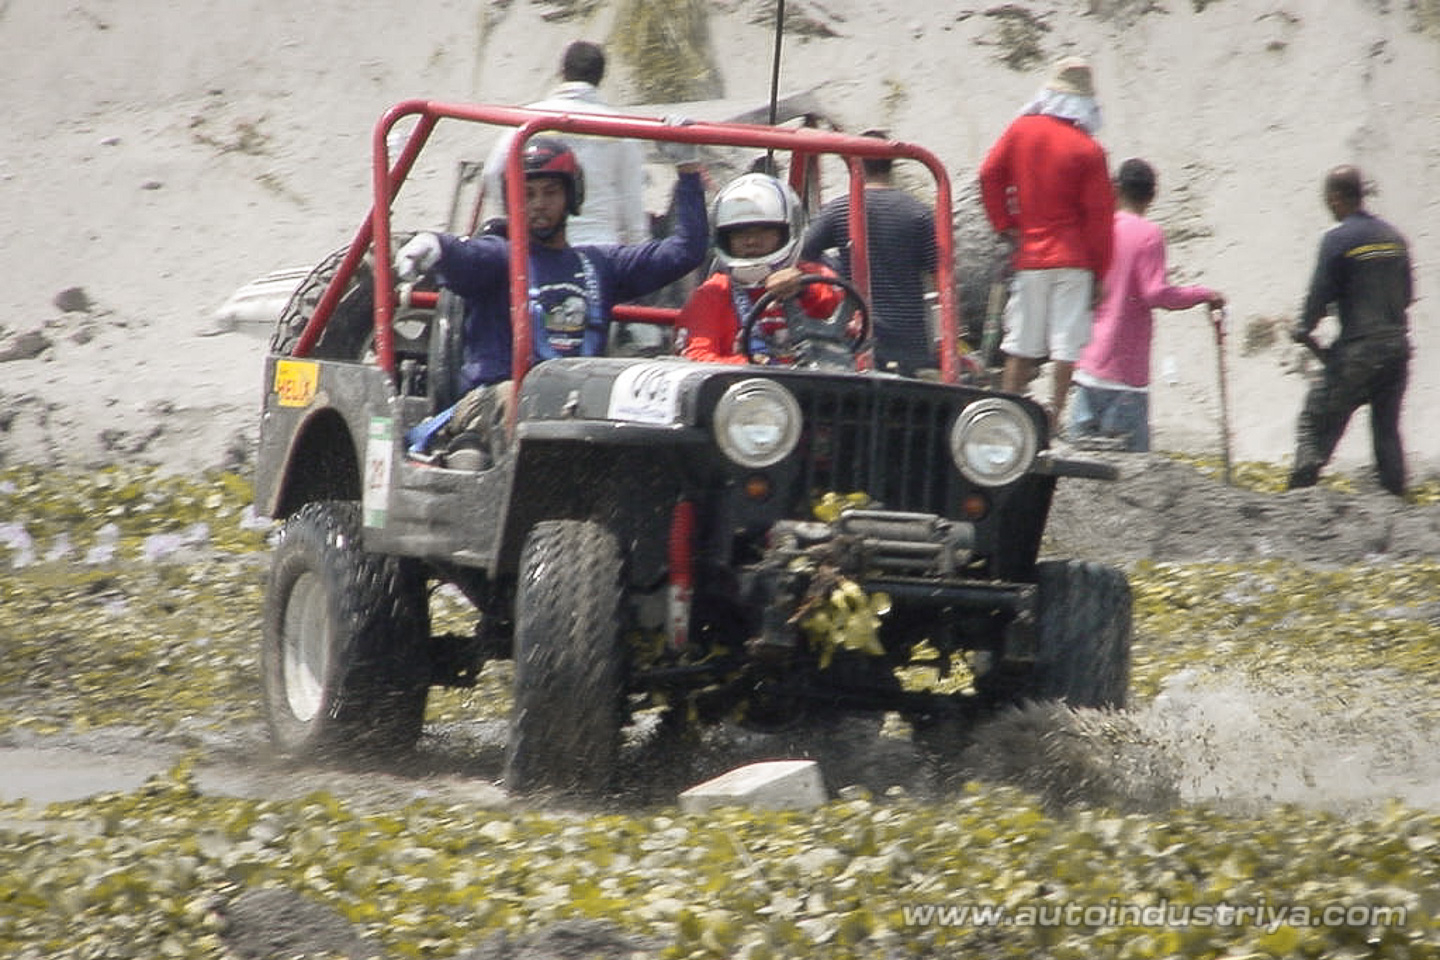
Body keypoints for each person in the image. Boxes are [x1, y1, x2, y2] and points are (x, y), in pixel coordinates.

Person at [396, 137, 706, 465]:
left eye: (550, 192)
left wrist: (688, 170)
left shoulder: (599, 265)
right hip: (491, 407)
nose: (539, 204)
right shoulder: (500, 258)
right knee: (513, 396)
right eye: (528, 194)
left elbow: (685, 251)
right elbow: (465, 255)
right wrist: (435, 245)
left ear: (572, 195)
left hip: (573, 408)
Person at [978, 55, 1114, 430]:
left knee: (1020, 343)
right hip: (1074, 260)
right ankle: (1053, 419)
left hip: (1031, 255)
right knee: (1066, 346)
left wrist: (1004, 224)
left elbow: (988, 174)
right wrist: (1101, 272)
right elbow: (1100, 220)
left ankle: (1005, 415)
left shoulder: (1021, 130)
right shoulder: (1089, 150)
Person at [1068, 158, 1225, 451]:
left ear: (1115, 189)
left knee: (1078, 463)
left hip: (1087, 367)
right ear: (1152, 195)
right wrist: (1202, 294)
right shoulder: (1149, 235)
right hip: (1125, 376)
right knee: (1131, 469)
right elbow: (1156, 294)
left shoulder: (1099, 230)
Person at [1287, 165, 1414, 496]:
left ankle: (1296, 502)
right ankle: (1396, 501)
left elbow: (1319, 295)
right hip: (1397, 350)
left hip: (1357, 353)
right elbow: (1406, 297)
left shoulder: (1338, 239)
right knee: (1386, 430)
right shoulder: (1394, 238)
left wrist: (1303, 327)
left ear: (1334, 198)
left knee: (1315, 422)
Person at [800, 129, 938, 376]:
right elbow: (940, 276)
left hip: (856, 334)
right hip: (909, 337)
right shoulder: (919, 213)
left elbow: (801, 256)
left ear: (856, 162)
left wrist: (834, 269)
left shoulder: (839, 209)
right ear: (892, 163)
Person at [481, 40, 647, 246]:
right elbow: (632, 201)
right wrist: (638, 249)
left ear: (562, 72)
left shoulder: (527, 119)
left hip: (541, 247)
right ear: (601, 76)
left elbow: (492, 173)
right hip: (601, 247)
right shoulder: (622, 129)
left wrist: (515, 221)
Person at [675, 172, 845, 366]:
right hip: (743, 384)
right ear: (725, 239)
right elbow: (695, 359)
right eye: (739, 233)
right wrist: (752, 366)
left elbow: (839, 312)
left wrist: (803, 289)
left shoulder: (815, 277)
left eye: (764, 230)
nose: (751, 241)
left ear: (787, 233)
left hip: (820, 380)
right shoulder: (712, 294)